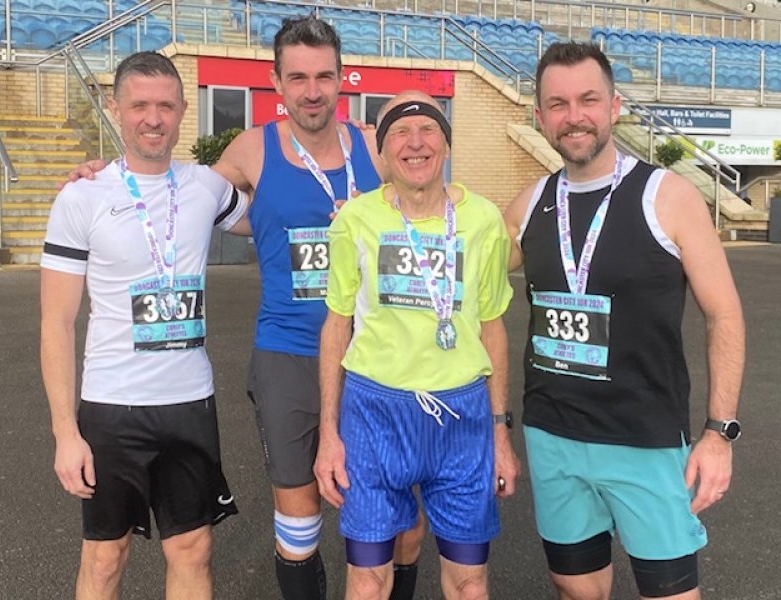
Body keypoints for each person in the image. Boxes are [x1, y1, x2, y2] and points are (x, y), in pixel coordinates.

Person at [65, 15, 424, 600]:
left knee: (399, 517)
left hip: (378, 353)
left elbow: (427, 207)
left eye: (325, 76)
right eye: (298, 77)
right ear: (277, 83)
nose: (313, 90)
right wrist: (106, 172)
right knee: (300, 516)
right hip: (288, 352)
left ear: (342, 79)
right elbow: (170, 185)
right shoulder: (250, 150)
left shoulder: (373, 147)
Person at [504, 42, 745, 600]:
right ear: (540, 118)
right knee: (575, 585)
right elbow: (459, 260)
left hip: (645, 439)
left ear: (614, 106)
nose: (574, 116)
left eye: (588, 99)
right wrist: (372, 215)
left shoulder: (668, 196)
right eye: (558, 104)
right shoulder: (532, 203)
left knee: (669, 594)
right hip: (554, 433)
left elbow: (725, 312)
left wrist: (719, 433)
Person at [41, 52, 245, 600]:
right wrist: (66, 432)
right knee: (106, 558)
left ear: (182, 111)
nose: (152, 118)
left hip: (189, 401)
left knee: (193, 550)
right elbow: (56, 322)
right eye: (139, 106)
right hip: (111, 406)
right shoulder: (81, 197)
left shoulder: (206, 187)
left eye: (165, 106)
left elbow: (274, 218)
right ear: (115, 109)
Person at [313, 90, 521, 600]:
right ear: (382, 153)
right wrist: (329, 433)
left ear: (446, 144)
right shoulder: (355, 220)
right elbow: (336, 325)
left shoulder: (484, 221)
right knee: (367, 581)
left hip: (462, 416)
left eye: (427, 129)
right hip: (374, 414)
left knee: (470, 582)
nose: (415, 143)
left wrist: (499, 433)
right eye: (399, 133)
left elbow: (493, 327)